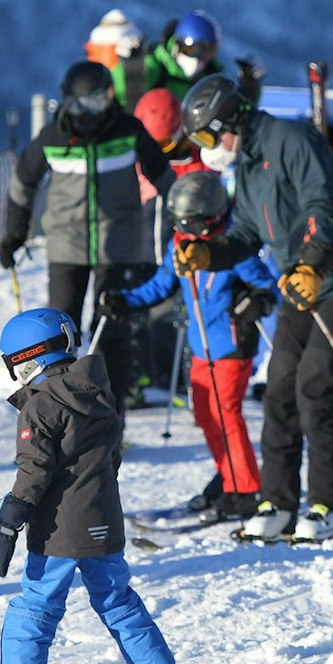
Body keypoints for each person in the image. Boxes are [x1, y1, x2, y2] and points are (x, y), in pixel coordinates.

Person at [177, 73, 333, 542]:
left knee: (313, 386)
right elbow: (249, 235)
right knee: (279, 388)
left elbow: (322, 203)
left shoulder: (291, 139)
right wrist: (210, 253)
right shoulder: (248, 167)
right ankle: (277, 502)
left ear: (230, 118)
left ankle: (328, 505)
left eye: (209, 134)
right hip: (301, 280)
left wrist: (313, 264)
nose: (209, 146)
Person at [0, 308, 208, 664]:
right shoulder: (98, 394)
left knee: (35, 606)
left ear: (28, 358)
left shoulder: (41, 406)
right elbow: (111, 458)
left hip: (58, 531)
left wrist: (10, 521)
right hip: (105, 519)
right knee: (118, 600)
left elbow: (33, 471)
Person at [97, 172, 278, 522]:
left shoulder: (233, 249)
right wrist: (125, 300)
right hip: (201, 348)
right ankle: (228, 476)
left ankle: (245, 490)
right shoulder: (179, 246)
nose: (190, 235)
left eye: (196, 227)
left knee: (226, 416)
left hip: (230, 345)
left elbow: (267, 286)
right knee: (205, 415)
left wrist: (257, 301)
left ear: (214, 219)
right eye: (182, 226)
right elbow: (161, 286)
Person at [1, 61, 174, 421]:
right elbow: (22, 182)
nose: (97, 111)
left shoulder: (127, 130)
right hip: (67, 245)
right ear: (69, 102)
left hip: (120, 244)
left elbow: (162, 174)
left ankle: (111, 420)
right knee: (58, 334)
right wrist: (15, 233)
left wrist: (186, 218)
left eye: (103, 100)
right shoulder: (54, 137)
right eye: (87, 103)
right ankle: (61, 418)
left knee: (113, 328)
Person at [110, 10, 226, 108]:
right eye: (192, 50)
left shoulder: (209, 79)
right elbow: (121, 90)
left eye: (207, 52)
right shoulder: (158, 65)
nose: (198, 60)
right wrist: (132, 68)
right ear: (179, 45)